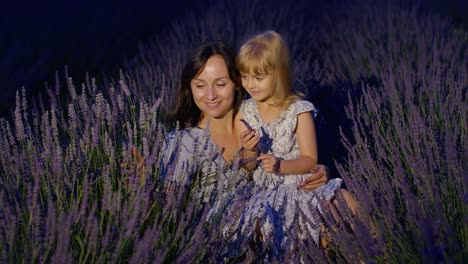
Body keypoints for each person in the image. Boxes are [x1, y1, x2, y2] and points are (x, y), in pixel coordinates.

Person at [225, 30, 360, 253]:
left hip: (298, 183)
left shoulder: (298, 110)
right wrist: (249, 150)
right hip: (263, 188)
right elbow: (247, 167)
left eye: (259, 77)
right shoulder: (244, 112)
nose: (250, 84)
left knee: (344, 200)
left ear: (279, 74)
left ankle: (376, 246)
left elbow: (309, 158)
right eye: (245, 76)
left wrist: (281, 165)